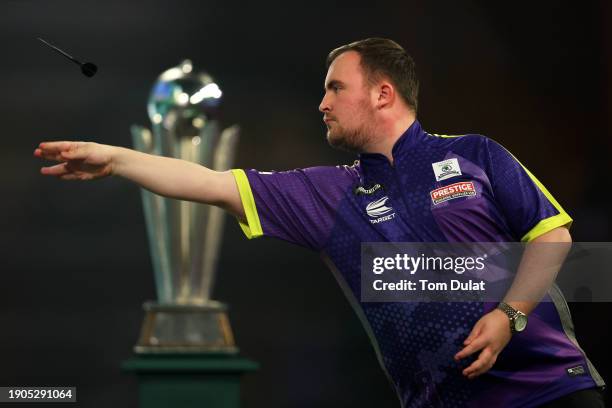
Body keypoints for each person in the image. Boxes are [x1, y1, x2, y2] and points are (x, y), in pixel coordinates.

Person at [35, 38, 605, 407]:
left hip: (551, 391)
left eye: (336, 87)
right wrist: (116, 159)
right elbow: (210, 182)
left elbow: (554, 237)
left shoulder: (478, 154)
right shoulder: (331, 193)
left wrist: (510, 316)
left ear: (383, 94)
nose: (322, 103)